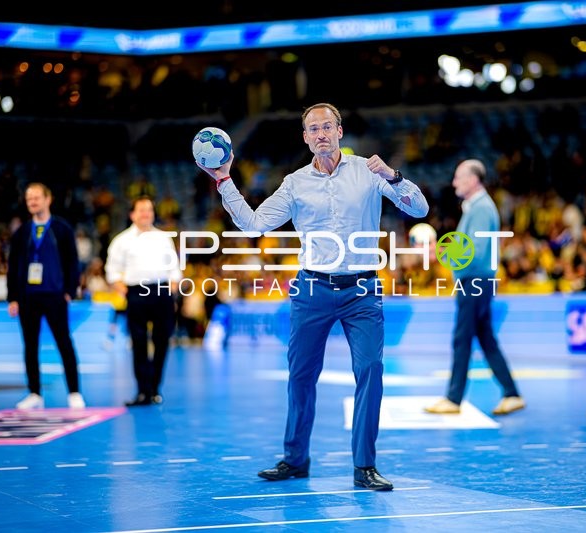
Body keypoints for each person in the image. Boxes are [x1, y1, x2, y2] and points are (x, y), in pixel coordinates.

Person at [198, 103, 429, 491]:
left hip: (362, 289)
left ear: (340, 131)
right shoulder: (294, 183)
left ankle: (365, 466)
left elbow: (420, 209)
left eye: (327, 126)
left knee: (370, 370)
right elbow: (254, 224)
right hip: (312, 288)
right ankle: (295, 459)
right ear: (305, 138)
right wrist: (224, 181)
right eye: (313, 129)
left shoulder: (369, 171)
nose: (321, 133)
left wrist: (394, 176)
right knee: (301, 376)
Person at [425, 160, 525, 417]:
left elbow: (475, 252)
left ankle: (453, 399)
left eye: (458, 177)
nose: (454, 182)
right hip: (479, 281)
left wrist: (440, 253)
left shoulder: (480, 209)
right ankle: (512, 394)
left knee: (462, 339)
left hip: (475, 282)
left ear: (472, 180)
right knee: (486, 339)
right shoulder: (479, 207)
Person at [7, 183, 86, 409]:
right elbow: (13, 266)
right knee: (30, 346)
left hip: (55, 296)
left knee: (64, 343)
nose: (32, 202)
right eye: (29, 198)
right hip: (28, 297)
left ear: (48, 199)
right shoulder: (22, 232)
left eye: (36, 197)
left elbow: (72, 262)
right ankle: (34, 393)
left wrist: (70, 291)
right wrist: (13, 297)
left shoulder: (62, 229)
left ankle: (74, 392)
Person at [105, 196, 181, 406]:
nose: (146, 213)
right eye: (141, 210)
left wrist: (172, 291)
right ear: (132, 214)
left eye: (149, 210)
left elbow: (174, 268)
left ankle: (155, 388)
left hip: (161, 291)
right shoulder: (121, 240)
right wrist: (125, 291)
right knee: (138, 342)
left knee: (162, 341)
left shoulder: (164, 238)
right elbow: (112, 271)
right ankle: (142, 391)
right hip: (136, 292)